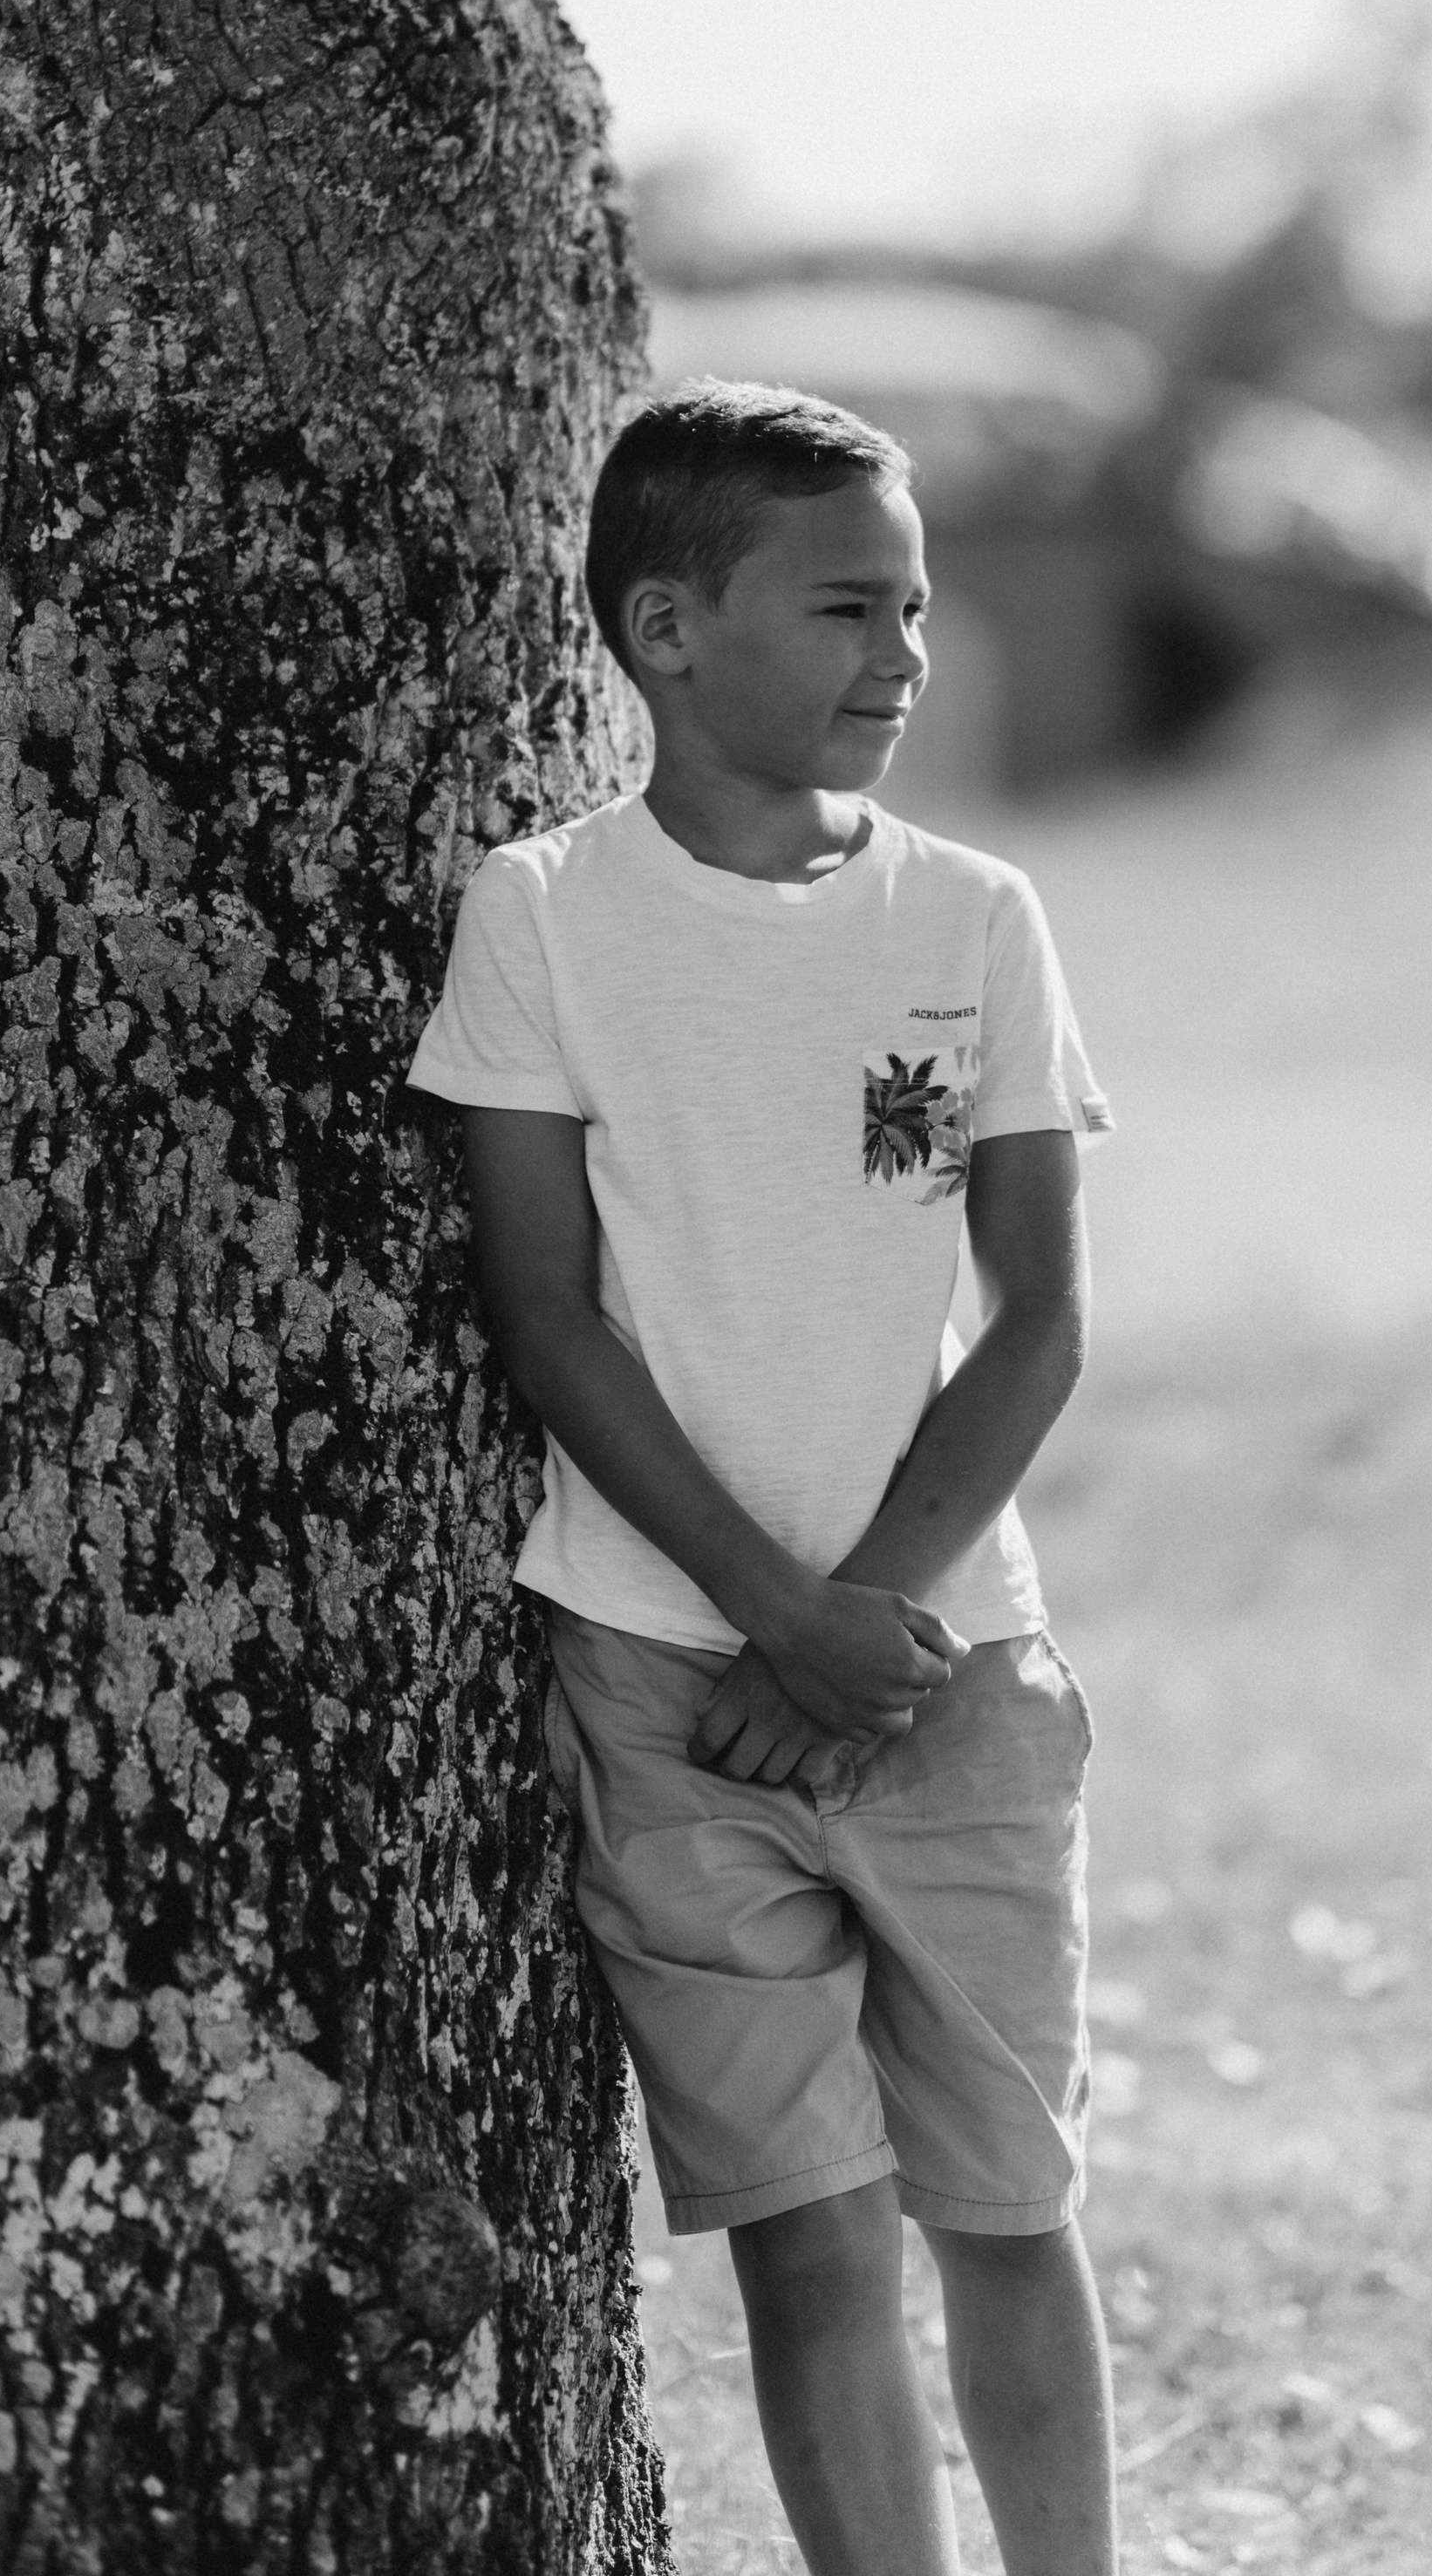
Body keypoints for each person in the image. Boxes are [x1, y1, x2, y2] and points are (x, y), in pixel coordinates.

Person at [408, 377, 1119, 2576]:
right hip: (662, 1687)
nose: (901, 655)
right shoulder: (539, 919)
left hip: (943, 1673)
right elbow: (545, 1320)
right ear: (662, 627)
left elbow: (1034, 1320)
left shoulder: (972, 918)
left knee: (1006, 2213)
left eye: (910, 609)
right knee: (810, 2244)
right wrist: (763, 1613)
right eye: (844, 609)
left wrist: (862, 1621)